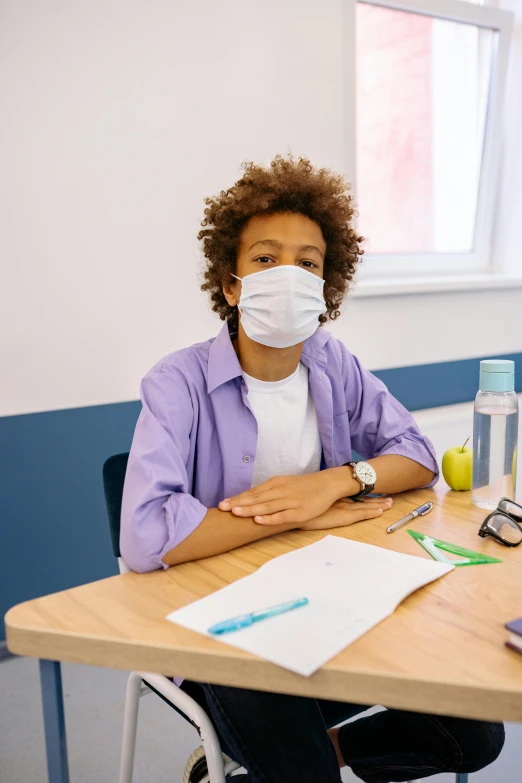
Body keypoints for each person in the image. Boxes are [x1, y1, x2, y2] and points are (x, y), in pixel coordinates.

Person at [120, 156, 504, 783]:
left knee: (473, 732)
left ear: (328, 285)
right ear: (232, 284)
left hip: (330, 599)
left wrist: (333, 483)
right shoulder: (177, 382)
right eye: (266, 259)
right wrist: (296, 519)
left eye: (308, 263)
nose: (288, 276)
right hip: (215, 629)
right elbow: (146, 537)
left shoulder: (331, 361)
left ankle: (310, 759)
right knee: (293, 758)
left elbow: (416, 455)